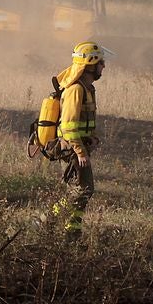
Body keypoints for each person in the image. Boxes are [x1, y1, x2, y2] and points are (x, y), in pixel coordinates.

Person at [48, 41, 108, 242]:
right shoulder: (76, 90)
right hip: (72, 149)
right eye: (100, 62)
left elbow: (81, 123)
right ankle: (50, 223)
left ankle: (69, 231)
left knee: (80, 189)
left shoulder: (86, 87)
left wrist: (90, 138)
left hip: (78, 146)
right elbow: (68, 125)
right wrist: (80, 151)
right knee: (83, 189)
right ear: (90, 64)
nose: (103, 66)